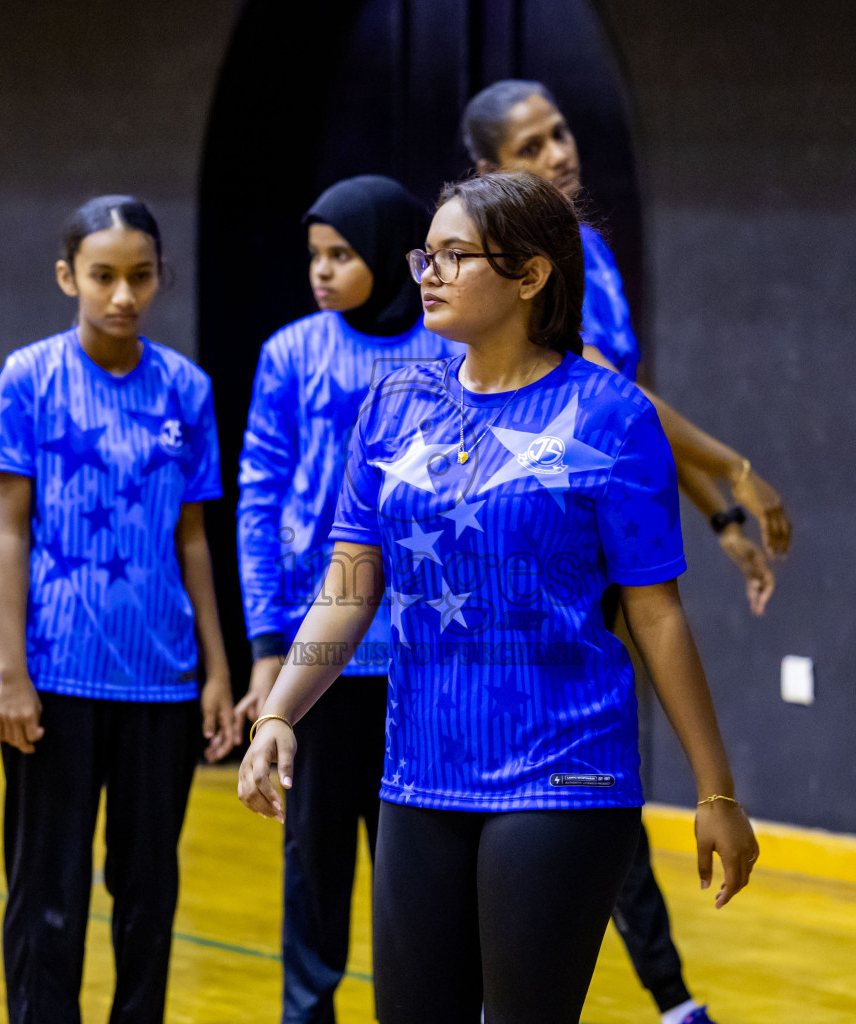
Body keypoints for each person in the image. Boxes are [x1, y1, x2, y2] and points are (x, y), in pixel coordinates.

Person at [238, 171, 757, 1024]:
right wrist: (281, 713)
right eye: (424, 256)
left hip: (564, 774)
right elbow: (352, 579)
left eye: (453, 257)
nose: (427, 276)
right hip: (418, 775)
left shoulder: (612, 416)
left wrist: (716, 794)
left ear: (530, 274)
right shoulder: (395, 402)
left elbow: (656, 613)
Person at [461, 79, 792, 1024]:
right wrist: (735, 469)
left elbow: (625, 417)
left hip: (603, 548)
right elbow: (609, 389)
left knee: (598, 779)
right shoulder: (503, 280)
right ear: (490, 174)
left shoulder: (591, 253)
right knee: (566, 785)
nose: (560, 152)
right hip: (526, 560)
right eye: (531, 147)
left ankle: (665, 996)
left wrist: (719, 516)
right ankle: (659, 996)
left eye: (561, 132)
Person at [0, 195, 238, 1023]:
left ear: (161, 277)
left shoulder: (187, 388)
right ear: (69, 278)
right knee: (45, 894)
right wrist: (12, 674)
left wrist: (217, 671)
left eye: (140, 276)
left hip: (161, 685)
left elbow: (194, 539)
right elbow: (10, 536)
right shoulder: (29, 378)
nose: (123, 295)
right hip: (55, 679)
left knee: (147, 892)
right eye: (103, 277)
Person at [234, 175, 457, 1024]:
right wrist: (266, 640)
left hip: (423, 652)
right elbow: (260, 495)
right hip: (317, 651)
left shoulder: (448, 351)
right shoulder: (291, 353)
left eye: (342, 254)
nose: (321, 272)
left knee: (414, 861)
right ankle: (307, 1012)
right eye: (314, 257)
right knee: (314, 858)